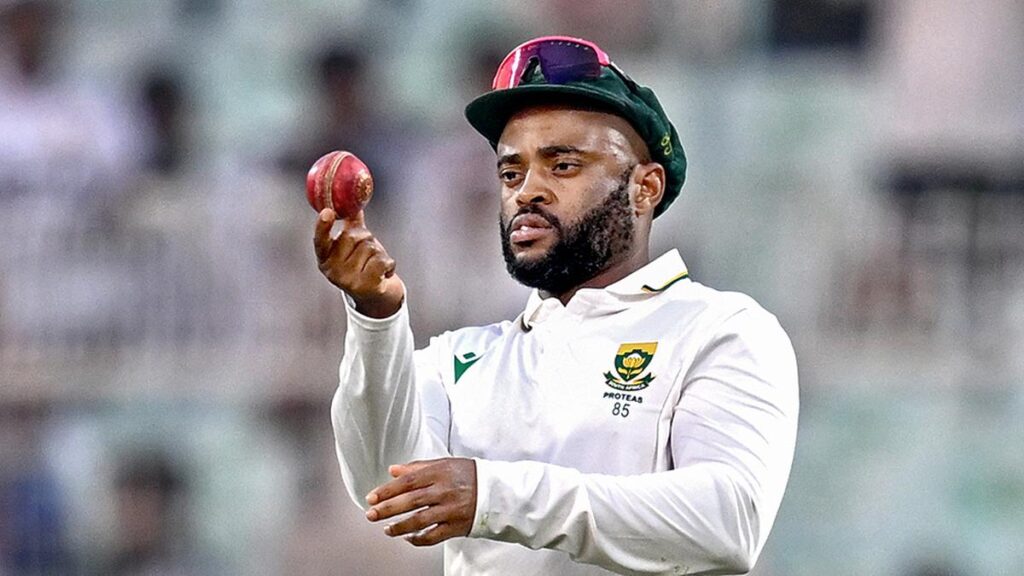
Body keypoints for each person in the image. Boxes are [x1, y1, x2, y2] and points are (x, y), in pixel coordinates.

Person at [314, 36, 799, 576]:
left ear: (645, 187)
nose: (527, 192)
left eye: (563, 165)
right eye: (511, 173)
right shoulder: (459, 360)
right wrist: (376, 317)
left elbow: (728, 522)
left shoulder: (722, 330)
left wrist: (494, 496)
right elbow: (386, 487)